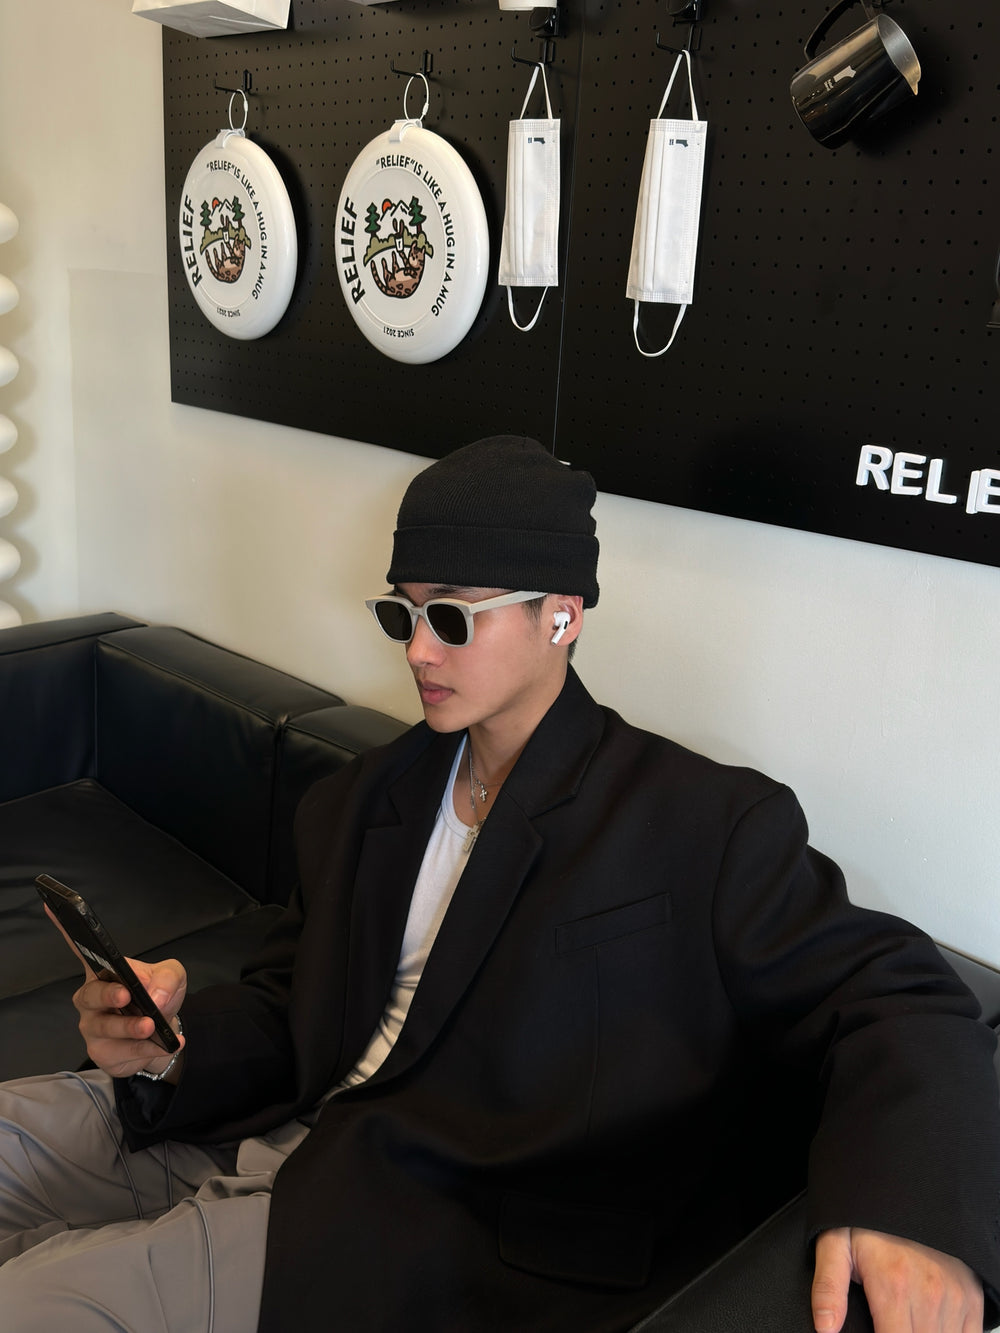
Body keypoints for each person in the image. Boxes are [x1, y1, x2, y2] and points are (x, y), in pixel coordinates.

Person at [1, 434, 998, 1333]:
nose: (416, 649)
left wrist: (907, 1215)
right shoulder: (367, 795)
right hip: (254, 1125)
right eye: (403, 610)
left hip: (406, 1213)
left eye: (451, 618)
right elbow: (286, 998)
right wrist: (170, 1042)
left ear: (560, 617)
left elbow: (895, 995)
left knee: (35, 1303)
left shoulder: (698, 822)